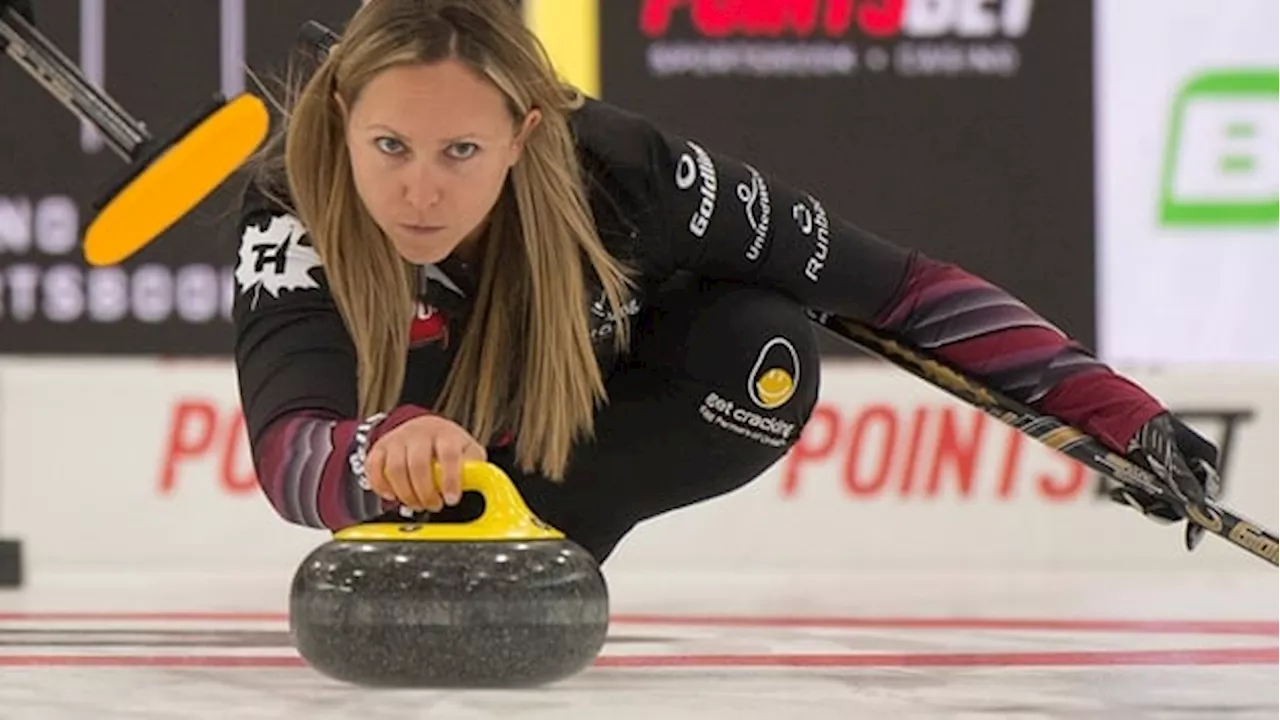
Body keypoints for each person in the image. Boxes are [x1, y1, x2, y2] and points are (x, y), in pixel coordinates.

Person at [232, 0, 1220, 565]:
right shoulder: (293, 199)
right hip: (408, 435)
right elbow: (286, 452)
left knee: (765, 347)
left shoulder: (622, 173)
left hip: (572, 426)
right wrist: (383, 450)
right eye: (389, 145)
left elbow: (899, 292)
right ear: (344, 114)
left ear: (525, 133)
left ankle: (542, 538)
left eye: (460, 150)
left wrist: (1117, 413)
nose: (419, 189)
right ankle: (445, 510)